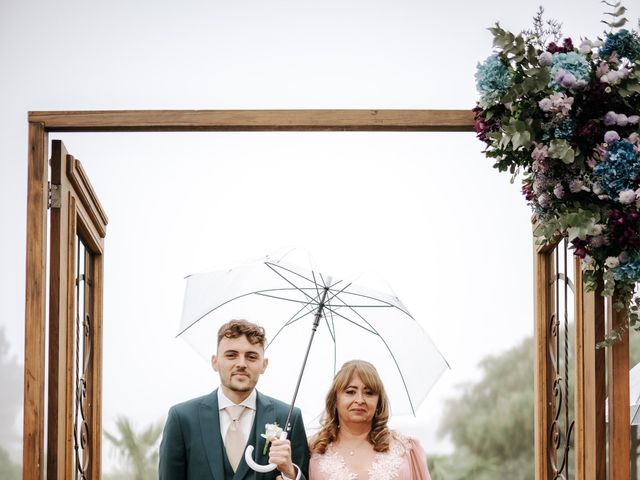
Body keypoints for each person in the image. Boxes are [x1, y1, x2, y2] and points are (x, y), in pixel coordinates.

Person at [159, 319, 310, 480]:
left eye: (251, 357)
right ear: (215, 362)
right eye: (231, 355)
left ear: (264, 365)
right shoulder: (182, 418)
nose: (241, 364)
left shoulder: (289, 417)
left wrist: (290, 474)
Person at [308, 360, 431, 480]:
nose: (360, 400)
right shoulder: (313, 451)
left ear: (378, 402)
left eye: (369, 393)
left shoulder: (406, 449)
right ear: (335, 400)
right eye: (351, 392)